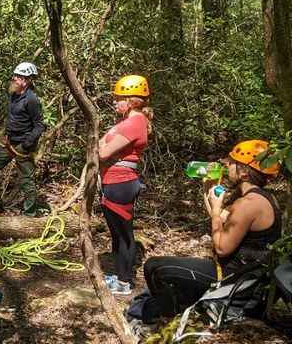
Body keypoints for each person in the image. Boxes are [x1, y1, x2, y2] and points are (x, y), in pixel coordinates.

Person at [136, 140, 282, 323]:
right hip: (244, 277)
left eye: (232, 162)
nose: (227, 165)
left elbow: (222, 247)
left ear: (244, 172)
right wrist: (209, 191)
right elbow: (220, 219)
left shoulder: (248, 205)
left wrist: (215, 212)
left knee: (155, 267)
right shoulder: (260, 198)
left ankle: (168, 322)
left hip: (236, 283)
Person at [98, 75, 153, 296]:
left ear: (131, 101)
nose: (114, 102)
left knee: (123, 235)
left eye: (118, 98)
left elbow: (102, 151)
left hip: (120, 183)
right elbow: (102, 145)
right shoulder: (129, 122)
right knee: (118, 233)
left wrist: (102, 144)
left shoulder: (134, 123)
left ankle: (124, 281)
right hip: (116, 181)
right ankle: (121, 275)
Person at [0, 62, 45, 216]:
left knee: (26, 179)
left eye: (18, 77)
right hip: (8, 142)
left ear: (26, 81)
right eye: (14, 75)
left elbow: (39, 125)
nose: (13, 79)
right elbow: (13, 118)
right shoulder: (13, 95)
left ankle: (29, 213)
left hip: (23, 145)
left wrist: (27, 144)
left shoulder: (32, 100)